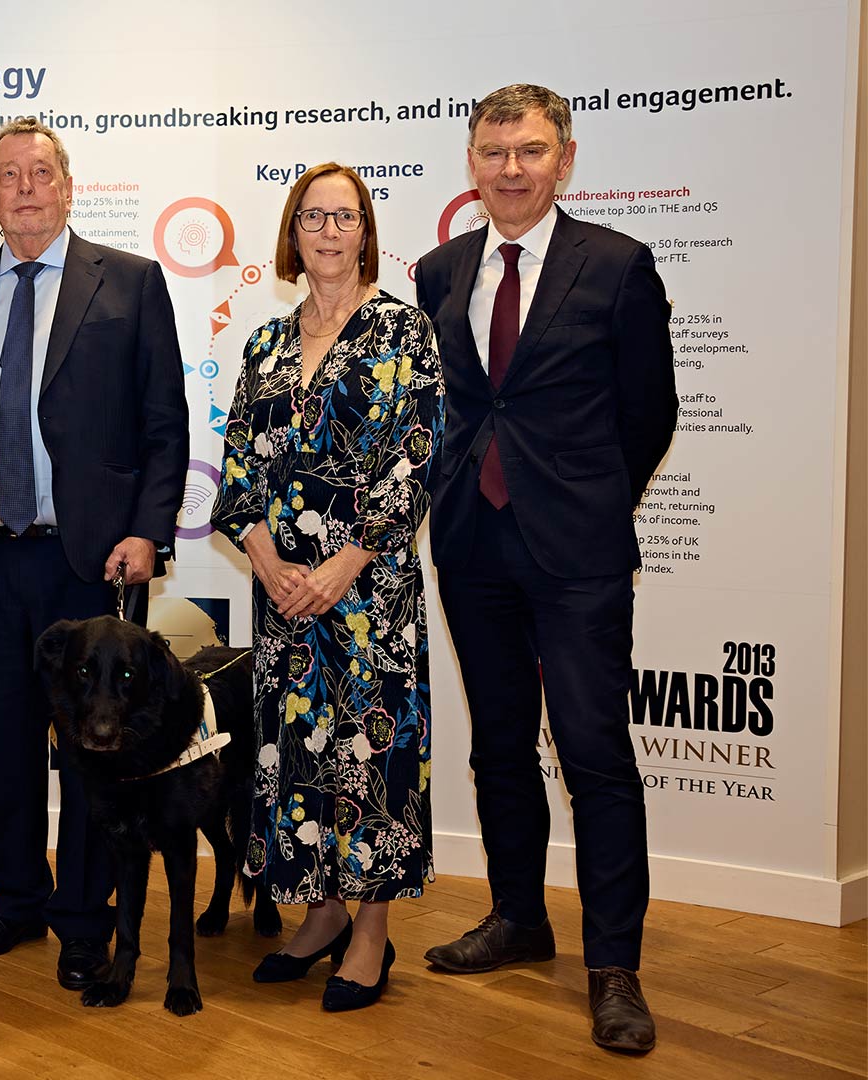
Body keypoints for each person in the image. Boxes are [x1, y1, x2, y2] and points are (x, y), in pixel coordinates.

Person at [414, 83, 677, 1053]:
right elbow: (451, 408)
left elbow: (649, 414)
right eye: (493, 152)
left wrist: (591, 500)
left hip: (578, 554)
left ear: (564, 159)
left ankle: (616, 968)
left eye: (529, 151)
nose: (510, 169)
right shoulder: (440, 272)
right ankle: (518, 918)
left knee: (596, 756)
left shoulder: (617, 265)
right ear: (472, 163)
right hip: (472, 545)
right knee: (497, 747)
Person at [0, 118, 187, 991]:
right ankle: (14, 901)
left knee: (95, 748)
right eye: (8, 175)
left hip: (92, 562)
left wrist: (148, 530)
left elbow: (164, 427)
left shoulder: (134, 283)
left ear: (69, 187)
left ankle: (84, 917)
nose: (26, 187)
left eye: (41, 172)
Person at [211, 163, 445, 1011]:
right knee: (298, 757)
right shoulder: (266, 345)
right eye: (312, 216)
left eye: (344, 216)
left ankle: (372, 932)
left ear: (365, 229)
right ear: (293, 232)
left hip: (368, 593)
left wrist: (346, 563)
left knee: (371, 758)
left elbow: (416, 464)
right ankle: (321, 914)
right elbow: (239, 468)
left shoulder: (403, 332)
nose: (328, 231)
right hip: (283, 599)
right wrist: (269, 565)